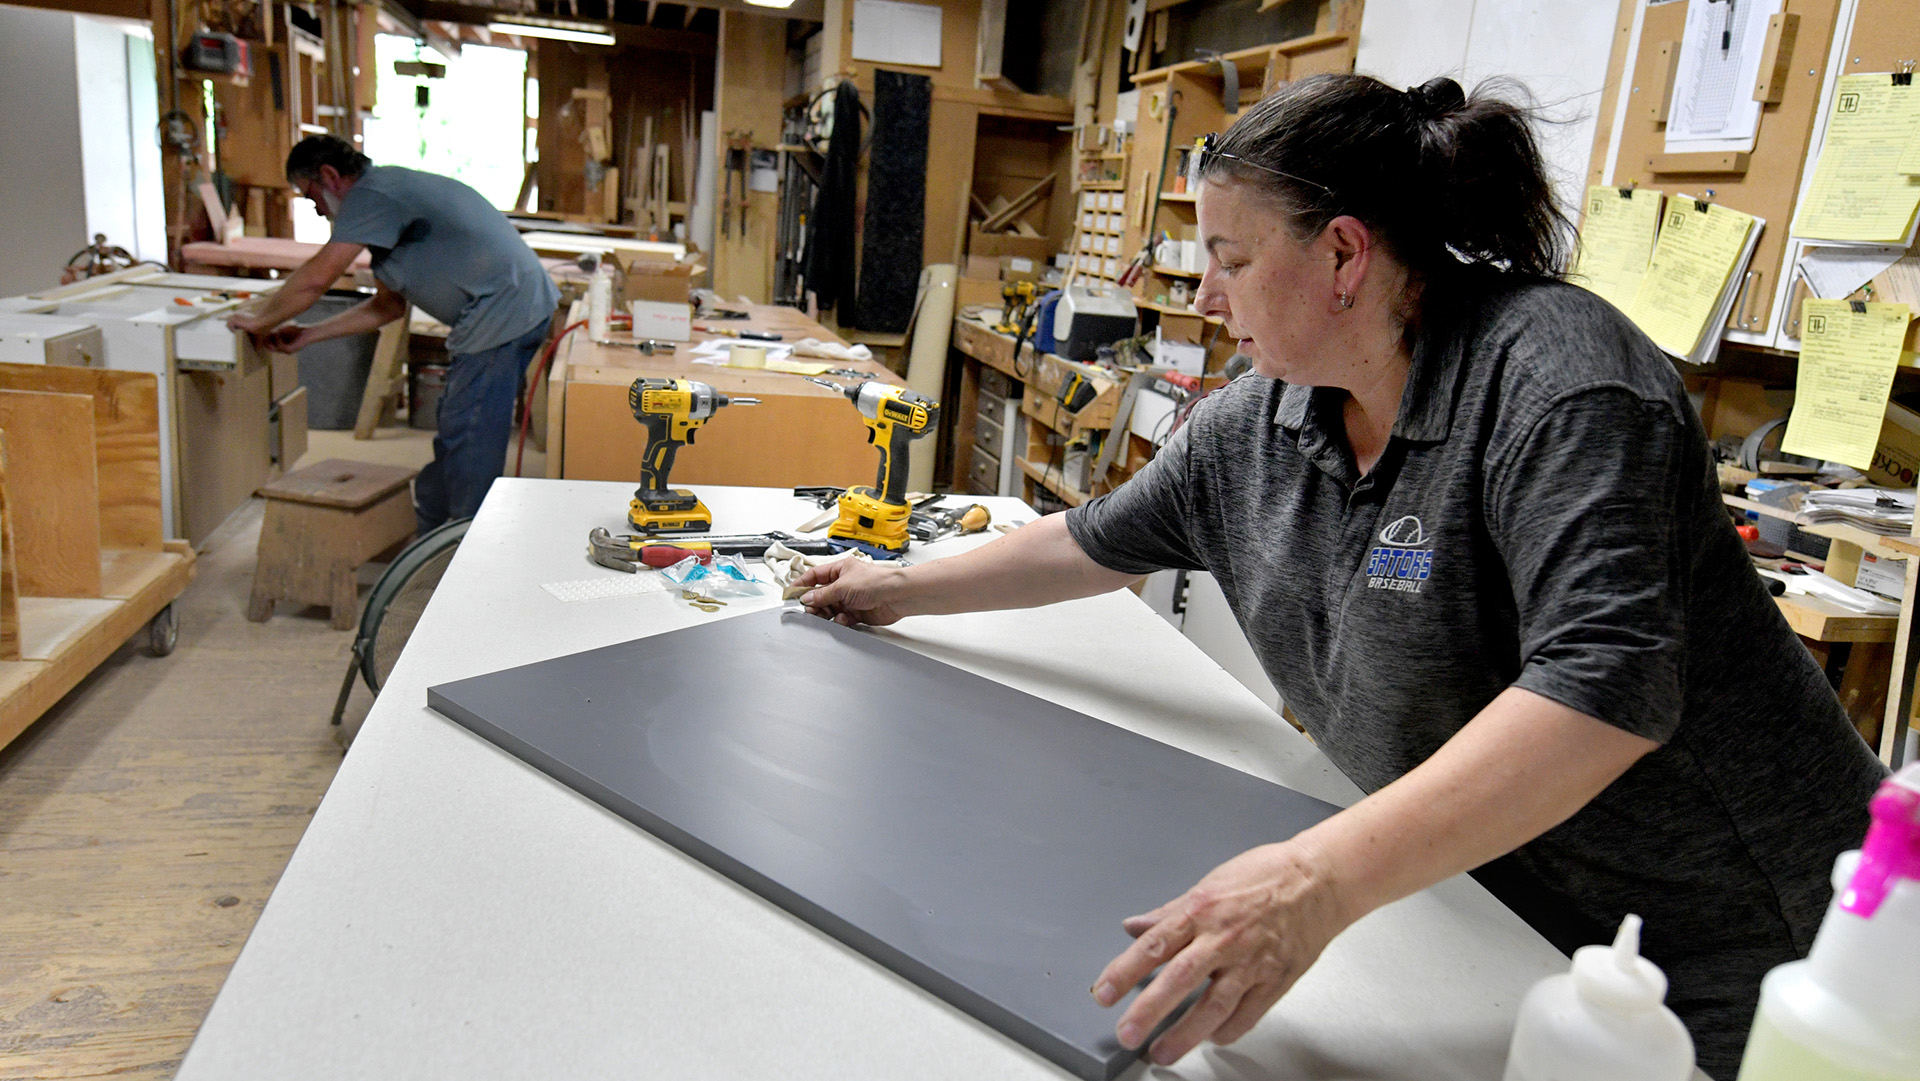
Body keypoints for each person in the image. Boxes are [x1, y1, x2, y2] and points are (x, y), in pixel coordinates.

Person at [795, 74, 1889, 1078]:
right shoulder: (1260, 421)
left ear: (1344, 256)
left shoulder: (1559, 386)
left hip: (1739, 944)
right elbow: (1088, 540)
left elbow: (1605, 692)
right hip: (1486, 904)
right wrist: (894, 587)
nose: (1210, 297)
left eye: (1229, 259)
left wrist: (1311, 883)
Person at [228, 135, 559, 533]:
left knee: (470, 434)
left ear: (330, 176)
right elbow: (387, 306)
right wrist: (309, 335)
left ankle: (464, 543)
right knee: (458, 430)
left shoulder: (372, 196)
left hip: (502, 312)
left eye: (310, 195)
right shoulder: (387, 202)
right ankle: (431, 532)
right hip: (515, 307)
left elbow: (316, 279)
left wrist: (259, 320)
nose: (316, 210)